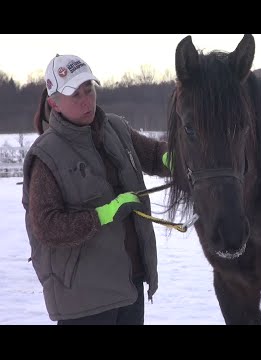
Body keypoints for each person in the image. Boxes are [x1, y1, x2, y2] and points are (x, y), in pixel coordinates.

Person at [22, 54, 171, 325]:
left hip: (130, 284)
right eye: (75, 94)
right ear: (54, 103)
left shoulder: (114, 127)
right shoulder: (46, 155)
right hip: (84, 300)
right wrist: (104, 214)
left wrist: (176, 158)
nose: (86, 100)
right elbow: (45, 227)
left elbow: (152, 155)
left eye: (89, 89)